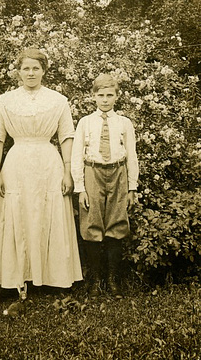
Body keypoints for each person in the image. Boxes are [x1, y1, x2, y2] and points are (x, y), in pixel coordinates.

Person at [0, 47, 82, 297]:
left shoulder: (58, 100)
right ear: (18, 72)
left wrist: (67, 172)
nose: (31, 73)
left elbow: (66, 137)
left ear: (43, 71)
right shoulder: (5, 100)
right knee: (16, 212)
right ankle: (13, 277)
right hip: (16, 163)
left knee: (48, 211)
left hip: (48, 163)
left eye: (36, 68)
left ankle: (54, 278)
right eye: (26, 68)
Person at [71, 74, 138, 298]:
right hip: (93, 171)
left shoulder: (124, 123)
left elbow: (132, 156)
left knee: (117, 222)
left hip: (118, 171)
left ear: (117, 97)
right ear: (93, 96)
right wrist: (80, 188)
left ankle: (113, 280)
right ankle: (95, 280)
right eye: (101, 95)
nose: (105, 100)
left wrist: (132, 187)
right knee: (91, 222)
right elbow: (76, 156)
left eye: (110, 95)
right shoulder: (85, 122)